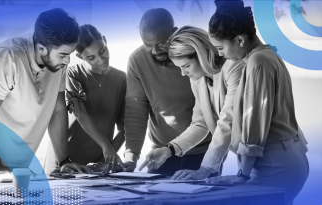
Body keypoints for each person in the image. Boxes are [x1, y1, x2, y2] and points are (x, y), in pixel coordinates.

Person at [172, 1, 309, 204]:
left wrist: (242, 175)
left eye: (220, 48)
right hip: (279, 158)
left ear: (239, 39)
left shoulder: (257, 63)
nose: (220, 54)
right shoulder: (265, 56)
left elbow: (254, 123)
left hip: (275, 164)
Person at [0, 8, 91, 178]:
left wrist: (64, 160)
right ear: (42, 48)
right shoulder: (6, 58)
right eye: (63, 55)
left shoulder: (58, 64)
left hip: (19, 166)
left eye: (69, 54)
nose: (67, 61)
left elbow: (57, 111)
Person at [138, 26, 245, 177]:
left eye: (186, 66)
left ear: (201, 55)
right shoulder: (199, 78)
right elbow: (200, 124)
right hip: (247, 157)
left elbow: (228, 121)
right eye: (180, 68)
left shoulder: (235, 67)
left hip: (272, 154)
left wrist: (205, 169)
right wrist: (168, 150)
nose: (183, 73)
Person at [123, 8, 218, 177]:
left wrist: (209, 167)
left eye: (161, 43)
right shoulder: (137, 61)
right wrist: (132, 157)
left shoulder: (200, 66)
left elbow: (224, 125)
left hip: (204, 152)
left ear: (174, 33)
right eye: (147, 45)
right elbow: (135, 112)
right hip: (164, 153)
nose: (154, 50)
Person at [44, 24, 126, 174]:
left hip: (99, 162)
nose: (101, 60)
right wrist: (106, 146)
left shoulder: (122, 79)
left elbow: (124, 127)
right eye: (91, 57)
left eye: (103, 51)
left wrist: (108, 155)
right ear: (80, 57)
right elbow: (80, 113)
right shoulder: (71, 74)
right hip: (65, 158)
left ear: (105, 41)